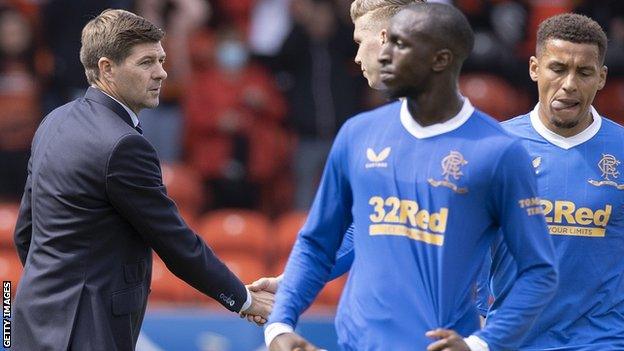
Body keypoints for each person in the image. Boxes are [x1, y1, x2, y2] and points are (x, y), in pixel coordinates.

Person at [265, 3, 558, 351]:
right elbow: (318, 243)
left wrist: (482, 343)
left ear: (441, 59)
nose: (384, 54)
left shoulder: (499, 152)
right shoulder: (357, 134)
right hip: (354, 344)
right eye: (386, 42)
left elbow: (539, 271)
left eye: (400, 45)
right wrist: (280, 324)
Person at [11, 9, 271, 350]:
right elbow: (175, 243)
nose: (162, 72)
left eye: (161, 60)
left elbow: (25, 233)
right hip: (88, 333)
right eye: (146, 62)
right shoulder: (124, 145)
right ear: (107, 68)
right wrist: (243, 299)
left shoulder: (53, 121)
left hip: (31, 324)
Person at [246, 0, 422, 297]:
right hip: (381, 322)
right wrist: (290, 288)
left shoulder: (491, 144)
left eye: (360, 42)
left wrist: (483, 334)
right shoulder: (361, 134)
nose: (355, 57)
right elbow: (360, 227)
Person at [478, 13, 624, 349]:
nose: (569, 83)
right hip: (513, 341)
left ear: (601, 78)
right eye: (557, 68)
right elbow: (467, 249)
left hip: (603, 341)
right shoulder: (495, 148)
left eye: (584, 72)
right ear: (534, 68)